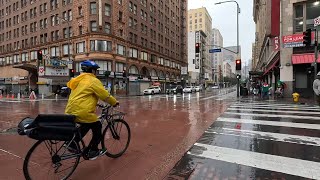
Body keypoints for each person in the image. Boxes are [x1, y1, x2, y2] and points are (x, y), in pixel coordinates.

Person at [65, 60, 118, 160]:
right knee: (97, 126)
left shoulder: (78, 79)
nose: (96, 72)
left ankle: (71, 143)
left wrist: (96, 103)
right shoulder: (93, 80)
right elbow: (104, 95)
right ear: (92, 71)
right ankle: (93, 150)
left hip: (70, 109)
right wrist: (114, 102)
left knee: (86, 124)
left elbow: (82, 95)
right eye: (95, 70)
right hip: (82, 111)